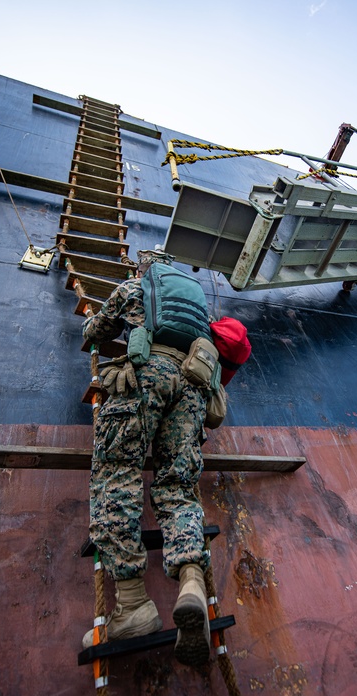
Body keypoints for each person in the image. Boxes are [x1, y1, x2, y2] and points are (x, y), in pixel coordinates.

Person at [81, 249, 213, 667]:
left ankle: (134, 605)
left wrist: (92, 327)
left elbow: (95, 330)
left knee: (117, 475)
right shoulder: (195, 306)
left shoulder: (136, 286)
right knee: (178, 487)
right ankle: (191, 579)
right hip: (193, 390)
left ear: (145, 268)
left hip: (146, 375)